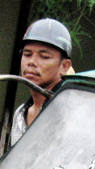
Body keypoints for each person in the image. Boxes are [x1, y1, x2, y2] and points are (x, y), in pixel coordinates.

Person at [9, 18, 73, 147]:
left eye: (44, 57)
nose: (31, 62)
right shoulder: (20, 114)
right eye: (27, 54)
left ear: (64, 66)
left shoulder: (70, 116)